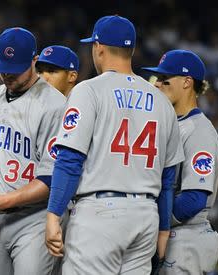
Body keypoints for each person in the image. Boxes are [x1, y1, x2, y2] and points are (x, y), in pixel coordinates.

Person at [45, 15, 184, 274]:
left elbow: (69, 160)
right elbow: (168, 178)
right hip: (146, 217)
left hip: (99, 216)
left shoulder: (89, 90)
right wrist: (163, 229)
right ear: (130, 51)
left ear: (98, 48)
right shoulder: (162, 101)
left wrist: (53, 213)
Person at [0, 27, 68, 275]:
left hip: (34, 219)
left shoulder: (54, 105)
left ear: (34, 60)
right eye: (3, 67)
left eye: (15, 67)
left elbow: (51, 179)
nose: (7, 74)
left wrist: (3, 201)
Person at [142, 49, 218, 274]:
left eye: (165, 79)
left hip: (186, 238)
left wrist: (154, 220)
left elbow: (194, 198)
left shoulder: (199, 131)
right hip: (170, 233)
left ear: (187, 82)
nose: (157, 84)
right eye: (157, 79)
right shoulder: (170, 123)